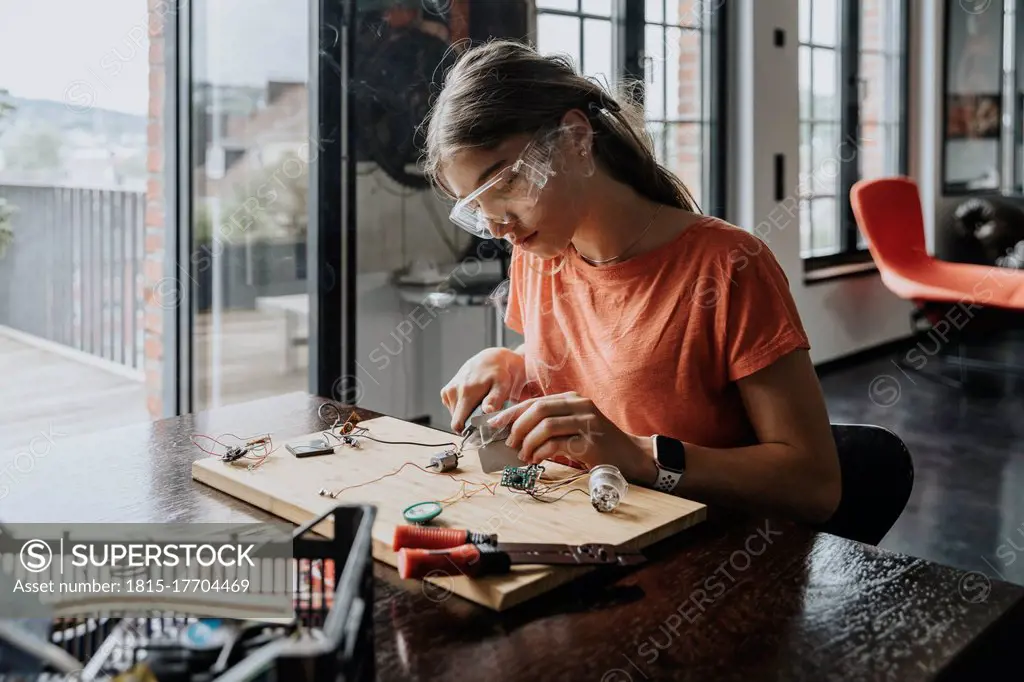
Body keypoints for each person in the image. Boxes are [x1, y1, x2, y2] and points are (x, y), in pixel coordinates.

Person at [422, 39, 841, 525]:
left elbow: (816, 484)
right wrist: (513, 362)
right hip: (580, 531)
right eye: (476, 207)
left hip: (706, 560)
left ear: (576, 139)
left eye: (505, 185)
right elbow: (603, 361)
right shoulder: (538, 252)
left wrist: (642, 458)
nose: (497, 226)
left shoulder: (729, 266)